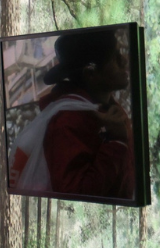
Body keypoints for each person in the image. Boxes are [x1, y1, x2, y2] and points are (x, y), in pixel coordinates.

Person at [8, 28, 135, 199]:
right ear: (91, 74)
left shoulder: (102, 107)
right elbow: (76, 195)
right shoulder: (67, 122)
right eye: (114, 58)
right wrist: (116, 142)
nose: (124, 61)